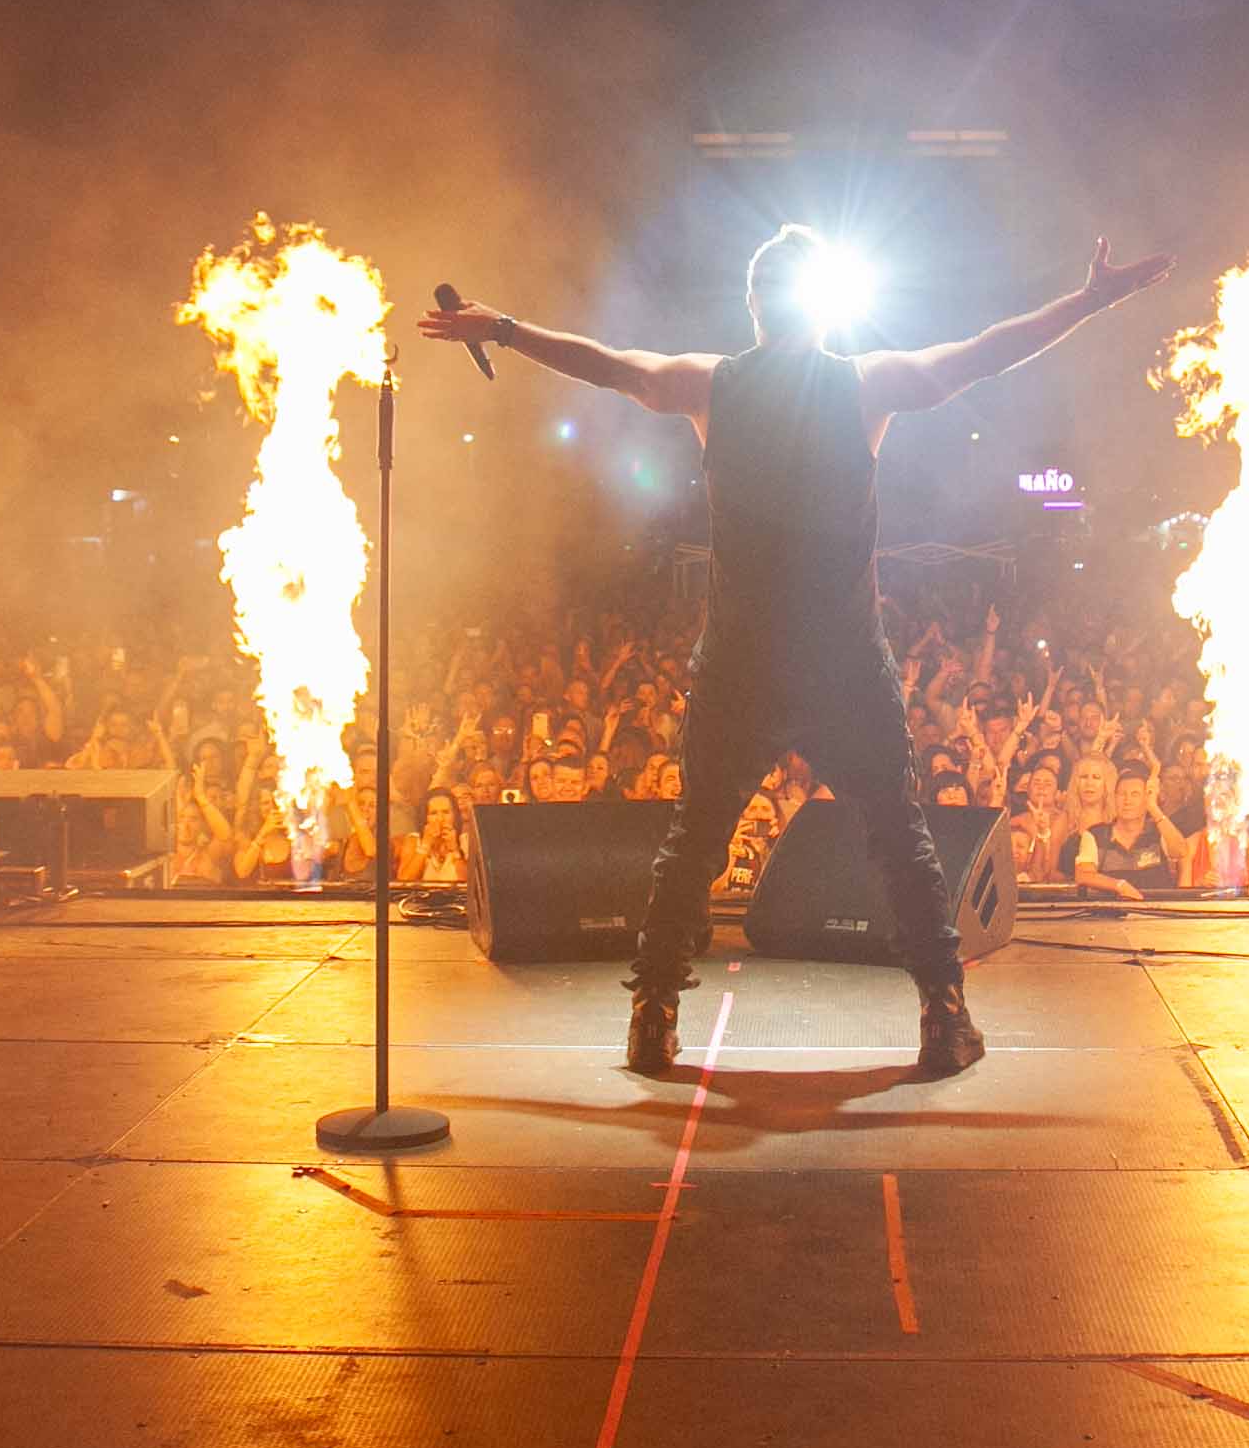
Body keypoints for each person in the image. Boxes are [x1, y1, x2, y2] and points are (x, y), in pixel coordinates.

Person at [420, 225, 1173, 1080]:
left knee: (694, 841)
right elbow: (983, 354)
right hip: (842, 663)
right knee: (900, 836)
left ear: (752, 305)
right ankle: (942, 1017)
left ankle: (652, 1018)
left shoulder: (709, 385)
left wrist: (505, 330)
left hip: (740, 660)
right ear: (818, 307)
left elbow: (610, 363)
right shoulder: (864, 385)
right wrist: (1090, 299)